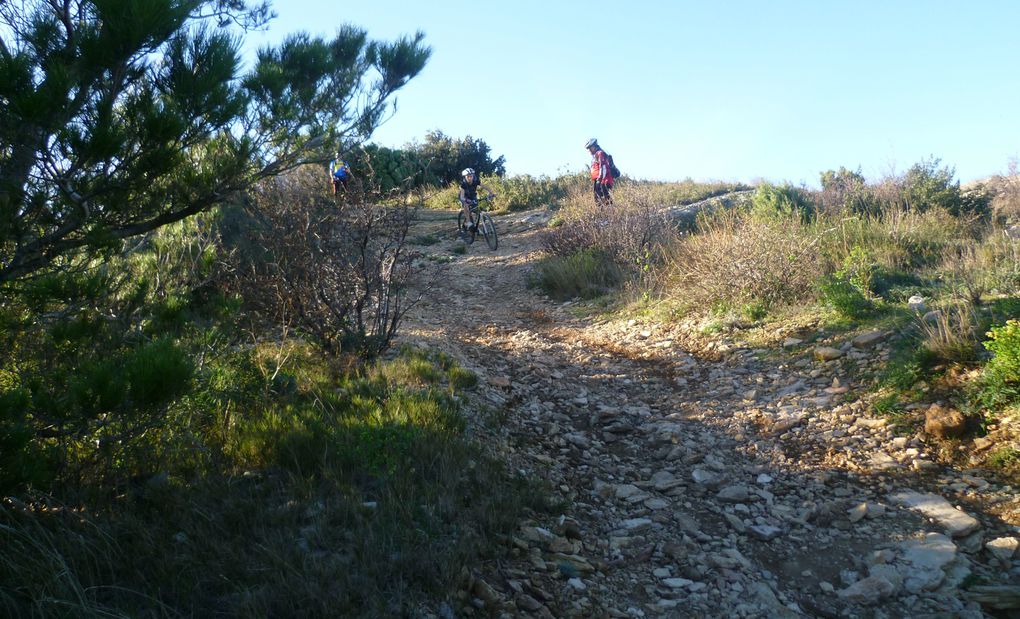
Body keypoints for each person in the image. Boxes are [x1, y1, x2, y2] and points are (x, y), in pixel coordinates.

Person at [459, 168, 495, 232]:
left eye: (471, 176)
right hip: (464, 196)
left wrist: (491, 192)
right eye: (468, 176)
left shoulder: (476, 180)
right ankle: (468, 222)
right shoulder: (463, 184)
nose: (470, 178)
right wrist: (466, 200)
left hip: (473, 196)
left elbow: (484, 186)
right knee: (466, 205)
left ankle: (477, 224)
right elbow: (462, 196)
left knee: (479, 208)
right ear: (465, 177)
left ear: (473, 175)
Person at [585, 138, 614, 206]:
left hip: (603, 180)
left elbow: (603, 167)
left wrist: (599, 180)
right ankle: (602, 215)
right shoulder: (595, 155)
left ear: (594, 146)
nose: (589, 150)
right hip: (599, 180)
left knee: (607, 200)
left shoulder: (600, 153)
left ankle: (610, 215)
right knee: (598, 201)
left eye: (590, 148)